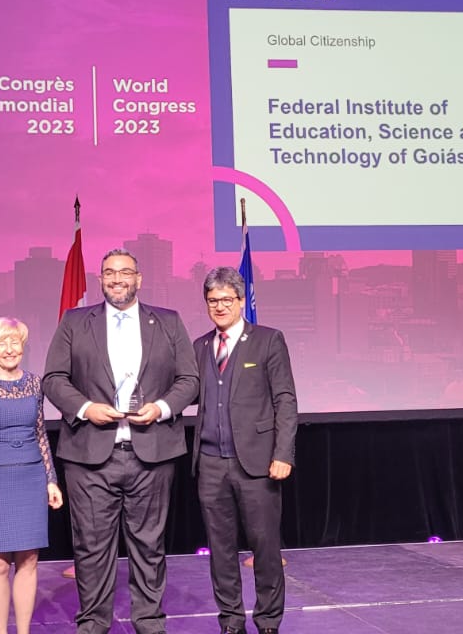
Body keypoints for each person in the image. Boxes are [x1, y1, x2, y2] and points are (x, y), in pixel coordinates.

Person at [43, 248, 199, 634]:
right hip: (90, 455)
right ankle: (93, 625)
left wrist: (161, 407)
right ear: (100, 279)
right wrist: (85, 409)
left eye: (125, 272)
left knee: (149, 546)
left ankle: (149, 624)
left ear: (139, 278)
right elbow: (54, 379)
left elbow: (190, 380)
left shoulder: (168, 321)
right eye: (109, 272)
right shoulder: (75, 321)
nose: (117, 279)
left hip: (152, 452)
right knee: (92, 548)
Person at [193, 267, 297, 634]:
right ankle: (231, 621)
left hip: (257, 464)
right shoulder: (200, 346)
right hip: (210, 464)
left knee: (265, 547)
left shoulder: (268, 340)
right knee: (220, 549)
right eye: (212, 301)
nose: (219, 307)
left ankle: (268, 621)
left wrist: (283, 453)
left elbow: (285, 400)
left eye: (226, 299)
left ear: (241, 301)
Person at [0, 317, 64, 634]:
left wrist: (51, 479)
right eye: (2, 343)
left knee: (29, 559)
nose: (9, 349)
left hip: (30, 477)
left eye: (15, 342)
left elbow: (40, 435)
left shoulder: (34, 383)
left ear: (23, 346)